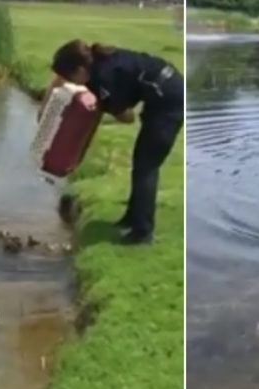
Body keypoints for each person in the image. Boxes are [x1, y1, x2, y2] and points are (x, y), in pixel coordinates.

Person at [40, 39, 184, 245]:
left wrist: (76, 152)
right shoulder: (92, 64)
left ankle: (142, 233)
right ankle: (132, 218)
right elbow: (63, 85)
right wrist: (45, 115)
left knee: (147, 167)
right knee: (140, 163)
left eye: (70, 78)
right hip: (159, 91)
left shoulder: (105, 78)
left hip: (169, 99)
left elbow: (127, 118)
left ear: (80, 70)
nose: (70, 83)